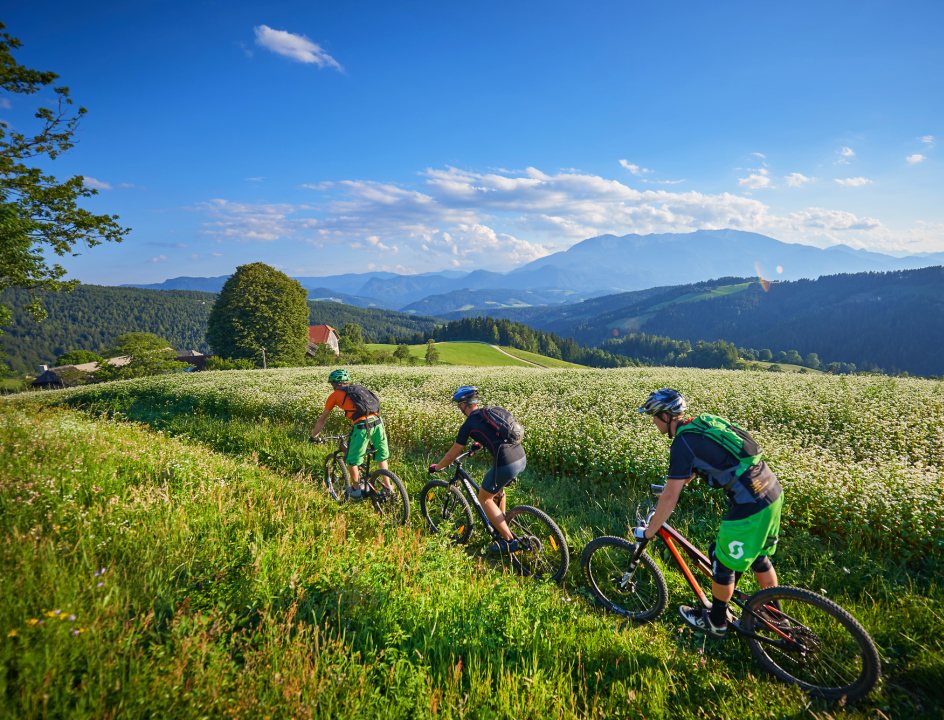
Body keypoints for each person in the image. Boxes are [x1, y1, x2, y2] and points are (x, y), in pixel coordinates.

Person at [636, 388, 782, 638]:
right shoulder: (702, 423)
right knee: (758, 556)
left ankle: (716, 622)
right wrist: (682, 481)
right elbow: (715, 456)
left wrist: (649, 532)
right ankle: (774, 614)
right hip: (771, 490)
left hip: (750, 502)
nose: (653, 421)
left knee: (721, 559)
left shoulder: (682, 443)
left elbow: (670, 499)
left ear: (667, 417)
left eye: (654, 416)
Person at [429, 385, 526, 553]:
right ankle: (501, 524)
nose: (459, 408)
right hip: (520, 457)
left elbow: (453, 454)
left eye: (459, 405)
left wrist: (438, 467)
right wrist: (478, 444)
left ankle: (509, 541)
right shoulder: (490, 412)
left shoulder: (468, 424)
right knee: (498, 491)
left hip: (505, 463)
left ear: (465, 405)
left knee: (484, 498)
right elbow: (494, 432)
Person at [310, 369, 392, 497]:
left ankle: (356, 490)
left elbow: (323, 419)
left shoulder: (335, 395)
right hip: (378, 422)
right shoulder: (359, 389)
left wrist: (314, 436)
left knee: (352, 461)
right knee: (381, 456)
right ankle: (388, 487)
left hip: (362, 427)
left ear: (334, 384)